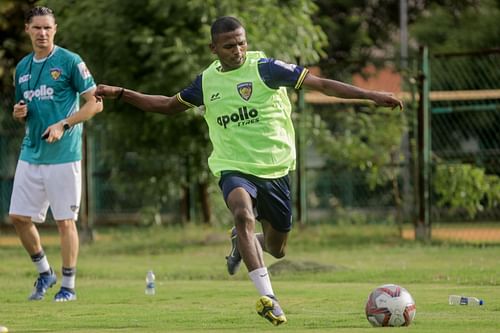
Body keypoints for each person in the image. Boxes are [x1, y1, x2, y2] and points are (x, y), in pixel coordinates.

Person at [95, 16, 402, 325]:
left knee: (276, 248)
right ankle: (269, 297)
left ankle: (245, 240)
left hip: (275, 168)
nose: (238, 50)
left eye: (242, 43)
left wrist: (371, 95)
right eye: (229, 46)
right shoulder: (206, 82)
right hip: (233, 167)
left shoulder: (267, 69)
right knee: (242, 213)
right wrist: (122, 93)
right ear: (213, 48)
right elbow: (165, 105)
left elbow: (321, 84)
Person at [10, 6, 102, 302]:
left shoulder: (70, 61)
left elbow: (95, 103)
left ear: (55, 29)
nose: (42, 33)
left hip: (64, 155)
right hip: (32, 152)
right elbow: (22, 109)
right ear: (27, 29)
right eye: (36, 28)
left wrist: (64, 123)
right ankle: (45, 272)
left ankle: (68, 285)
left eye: (47, 28)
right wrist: (18, 113)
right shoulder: (22, 68)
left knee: (65, 221)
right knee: (19, 217)